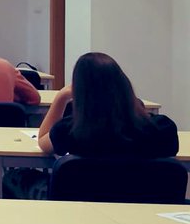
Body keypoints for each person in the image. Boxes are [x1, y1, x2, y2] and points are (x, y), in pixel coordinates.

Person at [39, 52, 178, 159]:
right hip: (144, 196)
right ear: (124, 85)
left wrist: (61, 97)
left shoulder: (70, 131)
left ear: (80, 93)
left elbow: (42, 141)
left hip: (87, 196)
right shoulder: (163, 129)